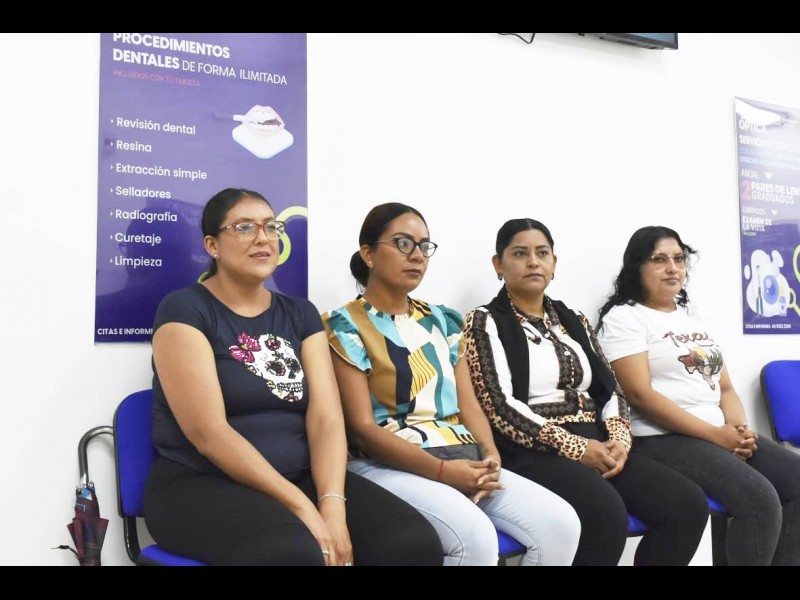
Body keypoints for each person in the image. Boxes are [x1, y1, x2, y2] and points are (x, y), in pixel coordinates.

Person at [145, 188, 443, 566]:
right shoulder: (185, 309)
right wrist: (303, 507)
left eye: (271, 227)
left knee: (412, 542)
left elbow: (326, 418)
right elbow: (209, 434)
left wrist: (331, 505)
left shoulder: (300, 313)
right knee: (294, 554)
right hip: (201, 482)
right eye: (244, 227)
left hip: (300, 476)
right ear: (212, 245)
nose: (263, 238)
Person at [322, 203, 581, 566]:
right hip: (388, 463)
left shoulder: (443, 320)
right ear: (368, 254)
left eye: (424, 246)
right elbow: (362, 430)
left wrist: (490, 458)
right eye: (403, 243)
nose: (417, 255)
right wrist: (443, 473)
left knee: (561, 524)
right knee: (474, 538)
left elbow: (468, 405)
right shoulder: (344, 325)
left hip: (461, 455)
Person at [462, 218, 708, 566]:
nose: (533, 262)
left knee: (686, 505)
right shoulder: (484, 320)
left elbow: (610, 388)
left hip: (598, 442)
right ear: (498, 265)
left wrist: (619, 439)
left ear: (554, 263)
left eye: (542, 253)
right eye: (520, 254)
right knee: (605, 514)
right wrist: (575, 448)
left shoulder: (573, 319)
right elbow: (498, 405)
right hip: (532, 449)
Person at [597, 225, 800, 566]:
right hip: (661, 437)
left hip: (716, 433)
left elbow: (725, 387)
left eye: (679, 259)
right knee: (759, 499)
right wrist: (716, 436)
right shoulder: (624, 319)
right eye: (659, 260)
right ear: (637, 267)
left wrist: (739, 431)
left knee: (796, 481)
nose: (672, 268)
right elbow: (639, 394)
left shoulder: (694, 319)